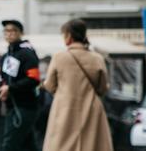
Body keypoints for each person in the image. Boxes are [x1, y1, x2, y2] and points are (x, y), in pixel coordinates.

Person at [42, 19, 113, 151]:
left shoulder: (59, 57)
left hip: (64, 109)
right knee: (91, 145)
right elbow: (102, 88)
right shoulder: (97, 58)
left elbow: (50, 86)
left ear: (68, 36)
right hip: (92, 110)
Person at [0, 20, 40, 151]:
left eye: (13, 31)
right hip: (11, 106)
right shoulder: (5, 56)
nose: (9, 34)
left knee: (8, 145)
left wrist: (11, 88)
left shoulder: (27, 53)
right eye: (6, 31)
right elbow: (4, 80)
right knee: (28, 145)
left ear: (20, 33)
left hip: (25, 106)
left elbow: (34, 79)